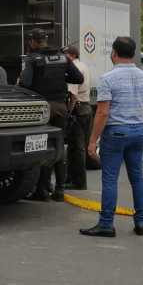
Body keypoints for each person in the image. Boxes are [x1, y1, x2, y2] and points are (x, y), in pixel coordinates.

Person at [80, 36, 143, 238]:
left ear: (114, 53)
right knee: (137, 177)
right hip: (138, 132)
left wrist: (93, 140)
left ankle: (106, 224)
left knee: (110, 178)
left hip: (116, 132)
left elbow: (103, 113)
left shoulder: (108, 78)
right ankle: (140, 222)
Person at [20, 29, 83, 202]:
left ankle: (42, 189)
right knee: (58, 146)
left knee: (39, 146)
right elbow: (78, 78)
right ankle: (59, 190)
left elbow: (25, 83)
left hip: (42, 109)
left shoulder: (33, 59)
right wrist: (61, 76)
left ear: (33, 41)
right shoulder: (63, 57)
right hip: (61, 108)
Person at [64, 46, 91, 190]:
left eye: (66, 55)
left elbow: (73, 95)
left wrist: (68, 112)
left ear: (72, 55)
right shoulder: (84, 66)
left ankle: (78, 182)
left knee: (76, 147)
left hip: (78, 109)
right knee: (79, 146)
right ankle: (75, 180)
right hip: (86, 108)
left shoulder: (74, 68)